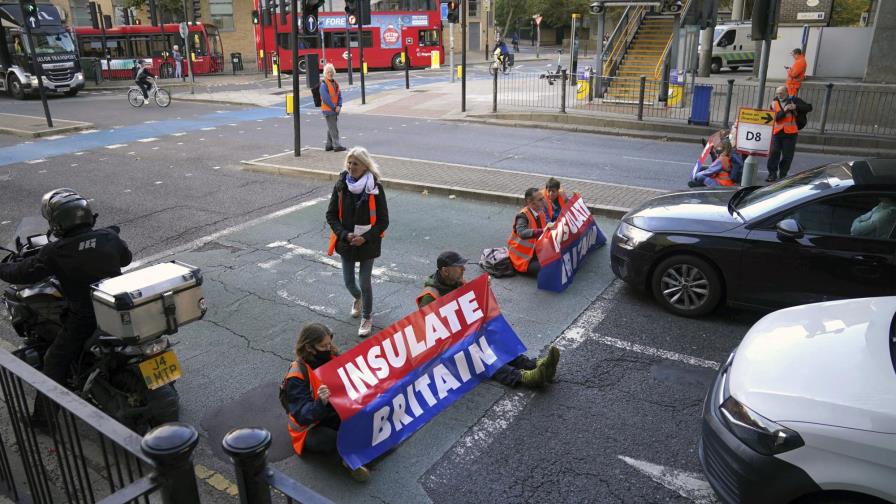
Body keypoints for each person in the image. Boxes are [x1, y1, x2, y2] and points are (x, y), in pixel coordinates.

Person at [0, 189, 132, 388]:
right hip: (118, 307)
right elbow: (126, 259)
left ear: (57, 223)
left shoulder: (55, 252)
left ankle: (42, 419)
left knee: (53, 361)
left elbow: (21, 274)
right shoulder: (109, 237)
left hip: (86, 318)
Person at [416, 251, 560, 389]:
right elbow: (434, 337)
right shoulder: (429, 297)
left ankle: (531, 364)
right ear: (445, 271)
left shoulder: (456, 282)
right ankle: (522, 377)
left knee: (494, 337)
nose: (463, 269)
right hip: (447, 349)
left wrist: (483, 289)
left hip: (463, 336)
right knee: (481, 355)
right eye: (459, 267)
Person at [283, 323, 371, 482]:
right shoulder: (297, 375)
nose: (329, 348)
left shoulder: (332, 357)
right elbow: (302, 415)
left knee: (362, 416)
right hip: (309, 426)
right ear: (309, 348)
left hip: (331, 413)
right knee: (330, 439)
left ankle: (362, 449)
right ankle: (349, 462)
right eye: (323, 346)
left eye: (329, 343)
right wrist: (320, 402)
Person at [326, 147, 389, 337]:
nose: (351, 167)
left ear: (365, 166)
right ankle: (358, 298)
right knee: (348, 282)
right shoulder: (341, 185)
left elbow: (383, 221)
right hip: (347, 241)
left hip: (368, 242)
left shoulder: (375, 187)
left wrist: (366, 237)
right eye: (349, 163)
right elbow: (331, 215)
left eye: (356, 164)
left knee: (364, 281)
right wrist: (345, 234)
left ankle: (367, 316)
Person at [766, 86, 810, 183]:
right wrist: (785, 110)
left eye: (781, 93)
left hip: (790, 133)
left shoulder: (794, 100)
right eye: (777, 93)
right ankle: (772, 174)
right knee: (774, 154)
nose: (779, 95)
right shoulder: (774, 103)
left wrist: (796, 107)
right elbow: (776, 118)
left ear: (787, 92)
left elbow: (809, 107)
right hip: (777, 132)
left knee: (787, 156)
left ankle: (783, 175)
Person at [507, 188, 554, 275]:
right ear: (530, 202)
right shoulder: (522, 216)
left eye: (543, 198)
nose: (544, 201)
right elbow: (522, 233)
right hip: (522, 259)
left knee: (556, 262)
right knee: (549, 269)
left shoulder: (540, 212)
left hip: (535, 252)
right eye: (540, 200)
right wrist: (542, 231)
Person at [320, 63, 345, 152]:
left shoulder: (336, 83)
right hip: (328, 110)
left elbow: (339, 95)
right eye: (328, 72)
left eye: (331, 71)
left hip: (334, 109)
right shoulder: (323, 84)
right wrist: (335, 107)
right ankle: (336, 146)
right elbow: (325, 98)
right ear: (325, 73)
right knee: (334, 128)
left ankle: (329, 145)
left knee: (331, 127)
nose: (330, 73)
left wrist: (339, 105)